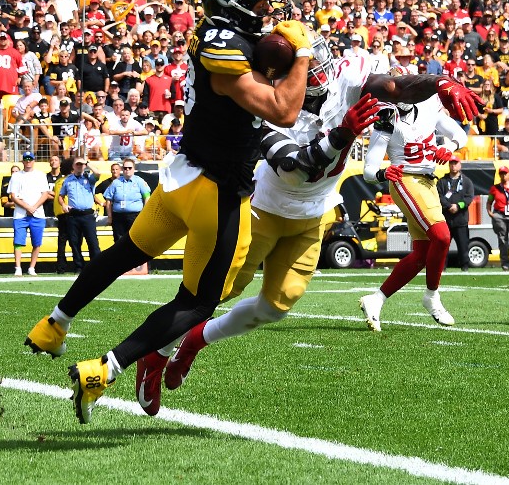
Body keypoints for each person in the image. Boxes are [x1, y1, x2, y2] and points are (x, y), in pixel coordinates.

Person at [25, 0, 314, 424]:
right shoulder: (229, 50)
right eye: (261, 3)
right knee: (199, 301)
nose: (269, 11)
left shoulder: (212, 32)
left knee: (125, 252)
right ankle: (105, 369)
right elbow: (282, 111)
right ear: (233, 2)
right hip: (218, 191)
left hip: (179, 179)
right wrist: (300, 56)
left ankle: (54, 323)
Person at [159, 35, 480, 413]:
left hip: (315, 211)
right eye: (300, 68)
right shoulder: (259, 101)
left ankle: (195, 341)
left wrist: (437, 82)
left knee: (275, 306)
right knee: (221, 290)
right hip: (269, 205)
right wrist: (342, 135)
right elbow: (294, 166)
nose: (313, 74)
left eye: (312, 64)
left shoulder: (350, 79)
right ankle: (159, 349)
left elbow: (394, 85)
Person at [358, 88, 468, 331]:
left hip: (428, 182)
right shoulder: (387, 119)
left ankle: (375, 299)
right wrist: (382, 173)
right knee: (441, 236)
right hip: (405, 179)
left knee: (422, 255)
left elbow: (460, 134)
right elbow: (369, 170)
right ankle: (432, 296)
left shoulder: (429, 106)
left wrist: (447, 148)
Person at [9, 152, 53, 276]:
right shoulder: (16, 176)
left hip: (37, 213)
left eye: (30, 159)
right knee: (18, 241)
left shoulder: (40, 175)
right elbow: (13, 196)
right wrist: (27, 207)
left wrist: (33, 207)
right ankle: (18, 267)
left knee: (37, 242)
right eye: (26, 159)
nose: (28, 161)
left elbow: (45, 194)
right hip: (20, 213)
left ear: (34, 161)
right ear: (23, 161)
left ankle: (32, 267)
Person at [58, 157, 101, 274]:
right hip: (74, 215)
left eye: (82, 165)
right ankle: (79, 267)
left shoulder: (89, 178)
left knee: (92, 242)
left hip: (87, 215)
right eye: (77, 164)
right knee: (75, 242)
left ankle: (97, 266)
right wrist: (63, 204)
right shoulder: (68, 180)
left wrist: (88, 163)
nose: (80, 166)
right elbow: (61, 196)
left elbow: (98, 173)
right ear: (73, 166)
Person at [437, 157, 475, 271]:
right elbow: (439, 196)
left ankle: (464, 267)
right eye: (451, 163)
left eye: (455, 163)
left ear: (460, 165)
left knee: (463, 245)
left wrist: (458, 206)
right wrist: (449, 206)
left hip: (461, 220)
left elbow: (469, 198)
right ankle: (441, 268)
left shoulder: (467, 181)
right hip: (446, 219)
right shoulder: (442, 181)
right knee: (443, 246)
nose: (453, 165)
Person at [103, 157, 151, 242]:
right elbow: (108, 200)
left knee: (135, 241)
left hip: (135, 216)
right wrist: (110, 217)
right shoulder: (115, 182)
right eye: (125, 168)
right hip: (118, 217)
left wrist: (144, 214)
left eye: (130, 168)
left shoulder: (139, 181)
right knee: (119, 242)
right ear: (122, 169)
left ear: (134, 169)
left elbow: (147, 197)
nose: (127, 170)